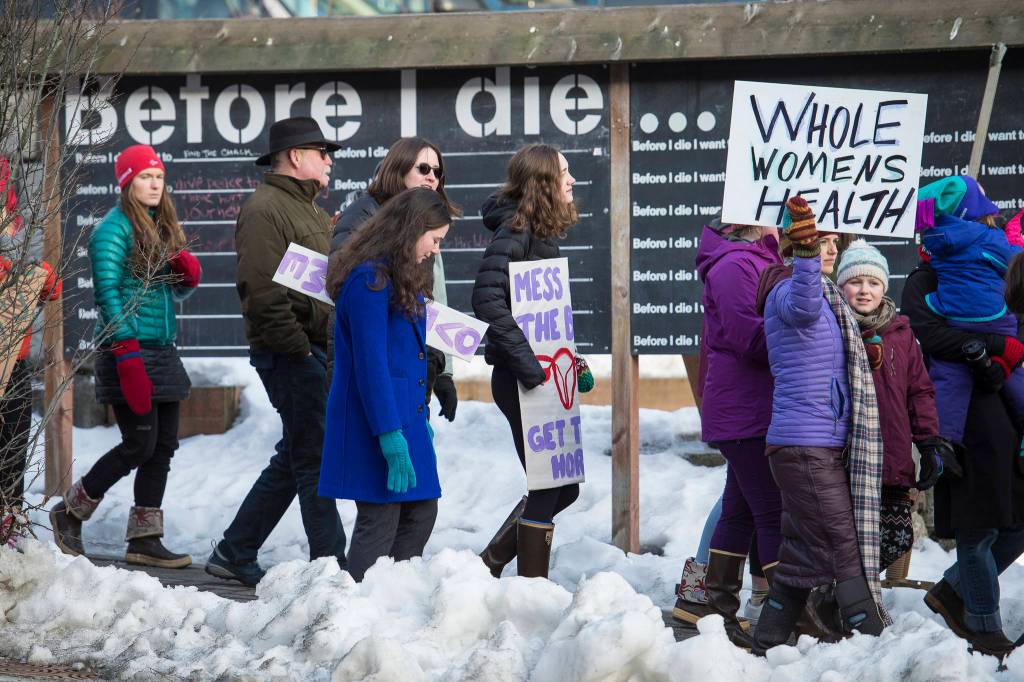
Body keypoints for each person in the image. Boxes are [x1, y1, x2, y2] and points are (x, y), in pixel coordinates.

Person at [206, 117, 346, 586]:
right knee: (314, 457)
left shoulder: (304, 209)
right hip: (292, 353)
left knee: (297, 452)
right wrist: (299, 352)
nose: (329, 159)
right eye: (321, 151)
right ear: (295, 157)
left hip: (311, 349)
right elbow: (262, 292)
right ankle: (332, 570)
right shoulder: (266, 208)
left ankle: (235, 549)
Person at [50, 144, 201, 568]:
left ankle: (145, 539)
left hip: (162, 351)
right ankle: (70, 511)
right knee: (139, 444)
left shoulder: (163, 226)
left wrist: (186, 273)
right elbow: (108, 295)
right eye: (144, 177)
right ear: (126, 183)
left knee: (164, 446)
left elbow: (174, 291)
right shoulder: (112, 230)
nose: (154, 185)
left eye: (158, 177)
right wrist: (128, 355)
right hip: (126, 351)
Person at [750, 196, 887, 655]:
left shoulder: (827, 299)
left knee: (801, 552)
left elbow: (818, 344)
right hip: (805, 443)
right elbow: (805, 308)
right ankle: (872, 642)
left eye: (831, 243)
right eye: (820, 243)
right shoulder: (791, 289)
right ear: (796, 245)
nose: (829, 250)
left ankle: (767, 637)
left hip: (811, 440)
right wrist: (805, 254)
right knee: (841, 544)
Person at [472, 143, 594, 580]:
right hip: (521, 381)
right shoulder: (514, 232)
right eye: (565, 172)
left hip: (542, 379)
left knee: (566, 487)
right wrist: (530, 365)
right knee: (549, 486)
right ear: (544, 181)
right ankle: (529, 589)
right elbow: (486, 300)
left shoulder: (537, 233)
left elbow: (540, 318)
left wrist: (567, 360)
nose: (572, 180)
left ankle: (491, 563)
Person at [903, 231, 1024, 659]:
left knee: (1015, 524)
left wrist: (1002, 356)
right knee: (979, 525)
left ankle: (953, 591)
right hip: (959, 422)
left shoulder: (994, 271)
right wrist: (993, 344)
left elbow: (1016, 328)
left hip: (1005, 414)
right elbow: (928, 335)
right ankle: (983, 624)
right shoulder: (924, 279)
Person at [320, 187, 449, 581]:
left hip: (405, 417)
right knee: (380, 517)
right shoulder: (368, 281)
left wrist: (418, 417)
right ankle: (362, 604)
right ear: (412, 230)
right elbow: (371, 365)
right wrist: (391, 435)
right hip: (376, 422)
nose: (436, 250)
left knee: (422, 508)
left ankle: (394, 597)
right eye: (435, 239)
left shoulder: (400, 277)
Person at [671, 215, 781, 646]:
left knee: (740, 510)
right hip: (744, 410)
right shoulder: (735, 264)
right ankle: (780, 613)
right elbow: (747, 337)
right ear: (753, 221)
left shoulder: (754, 259)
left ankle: (703, 606)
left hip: (750, 407)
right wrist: (804, 338)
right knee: (771, 510)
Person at [836, 240, 958, 571]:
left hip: (892, 455)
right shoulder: (832, 327)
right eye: (855, 282)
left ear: (884, 287)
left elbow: (919, 391)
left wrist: (929, 441)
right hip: (846, 457)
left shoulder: (901, 333)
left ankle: (855, 599)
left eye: (873, 282)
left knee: (894, 538)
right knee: (846, 541)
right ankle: (851, 605)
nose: (864, 291)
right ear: (840, 285)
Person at [330, 137, 461, 422]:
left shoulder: (423, 223)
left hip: (416, 365)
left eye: (438, 172)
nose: (432, 176)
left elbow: (434, 296)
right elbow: (349, 288)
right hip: (378, 368)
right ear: (398, 169)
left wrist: (443, 371)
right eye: (423, 167)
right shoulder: (363, 214)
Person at [916, 176, 1024, 445]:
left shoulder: (936, 240)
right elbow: (1013, 263)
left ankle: (944, 443)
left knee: (948, 380)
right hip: (996, 321)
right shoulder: (989, 238)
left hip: (953, 318)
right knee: (1014, 372)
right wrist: (1014, 238)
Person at [0, 156, 62, 546]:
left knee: (14, 454)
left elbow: (50, 285)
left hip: (16, 364)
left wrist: (35, 274)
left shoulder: (16, 230)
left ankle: (10, 523)